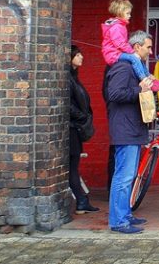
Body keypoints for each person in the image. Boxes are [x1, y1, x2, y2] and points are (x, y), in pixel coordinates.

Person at [105, 30, 155, 234]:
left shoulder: (135, 68)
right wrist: (140, 90)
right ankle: (118, 221)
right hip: (125, 129)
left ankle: (125, 215)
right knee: (123, 177)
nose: (150, 52)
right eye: (148, 47)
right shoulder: (123, 68)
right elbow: (114, 93)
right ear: (137, 47)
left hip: (132, 128)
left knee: (129, 176)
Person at [101, 0, 159, 92]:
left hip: (116, 52)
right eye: (127, 13)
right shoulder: (117, 27)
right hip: (113, 54)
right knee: (134, 58)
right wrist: (132, 52)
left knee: (138, 59)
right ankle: (145, 80)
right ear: (120, 13)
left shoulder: (120, 26)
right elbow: (120, 44)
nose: (130, 16)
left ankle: (150, 78)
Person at [68, 45, 99, 215]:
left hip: (76, 127)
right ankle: (80, 200)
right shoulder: (67, 78)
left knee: (74, 164)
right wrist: (83, 117)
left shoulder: (74, 77)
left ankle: (81, 200)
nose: (81, 57)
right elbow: (68, 105)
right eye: (77, 55)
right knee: (72, 165)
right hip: (72, 128)